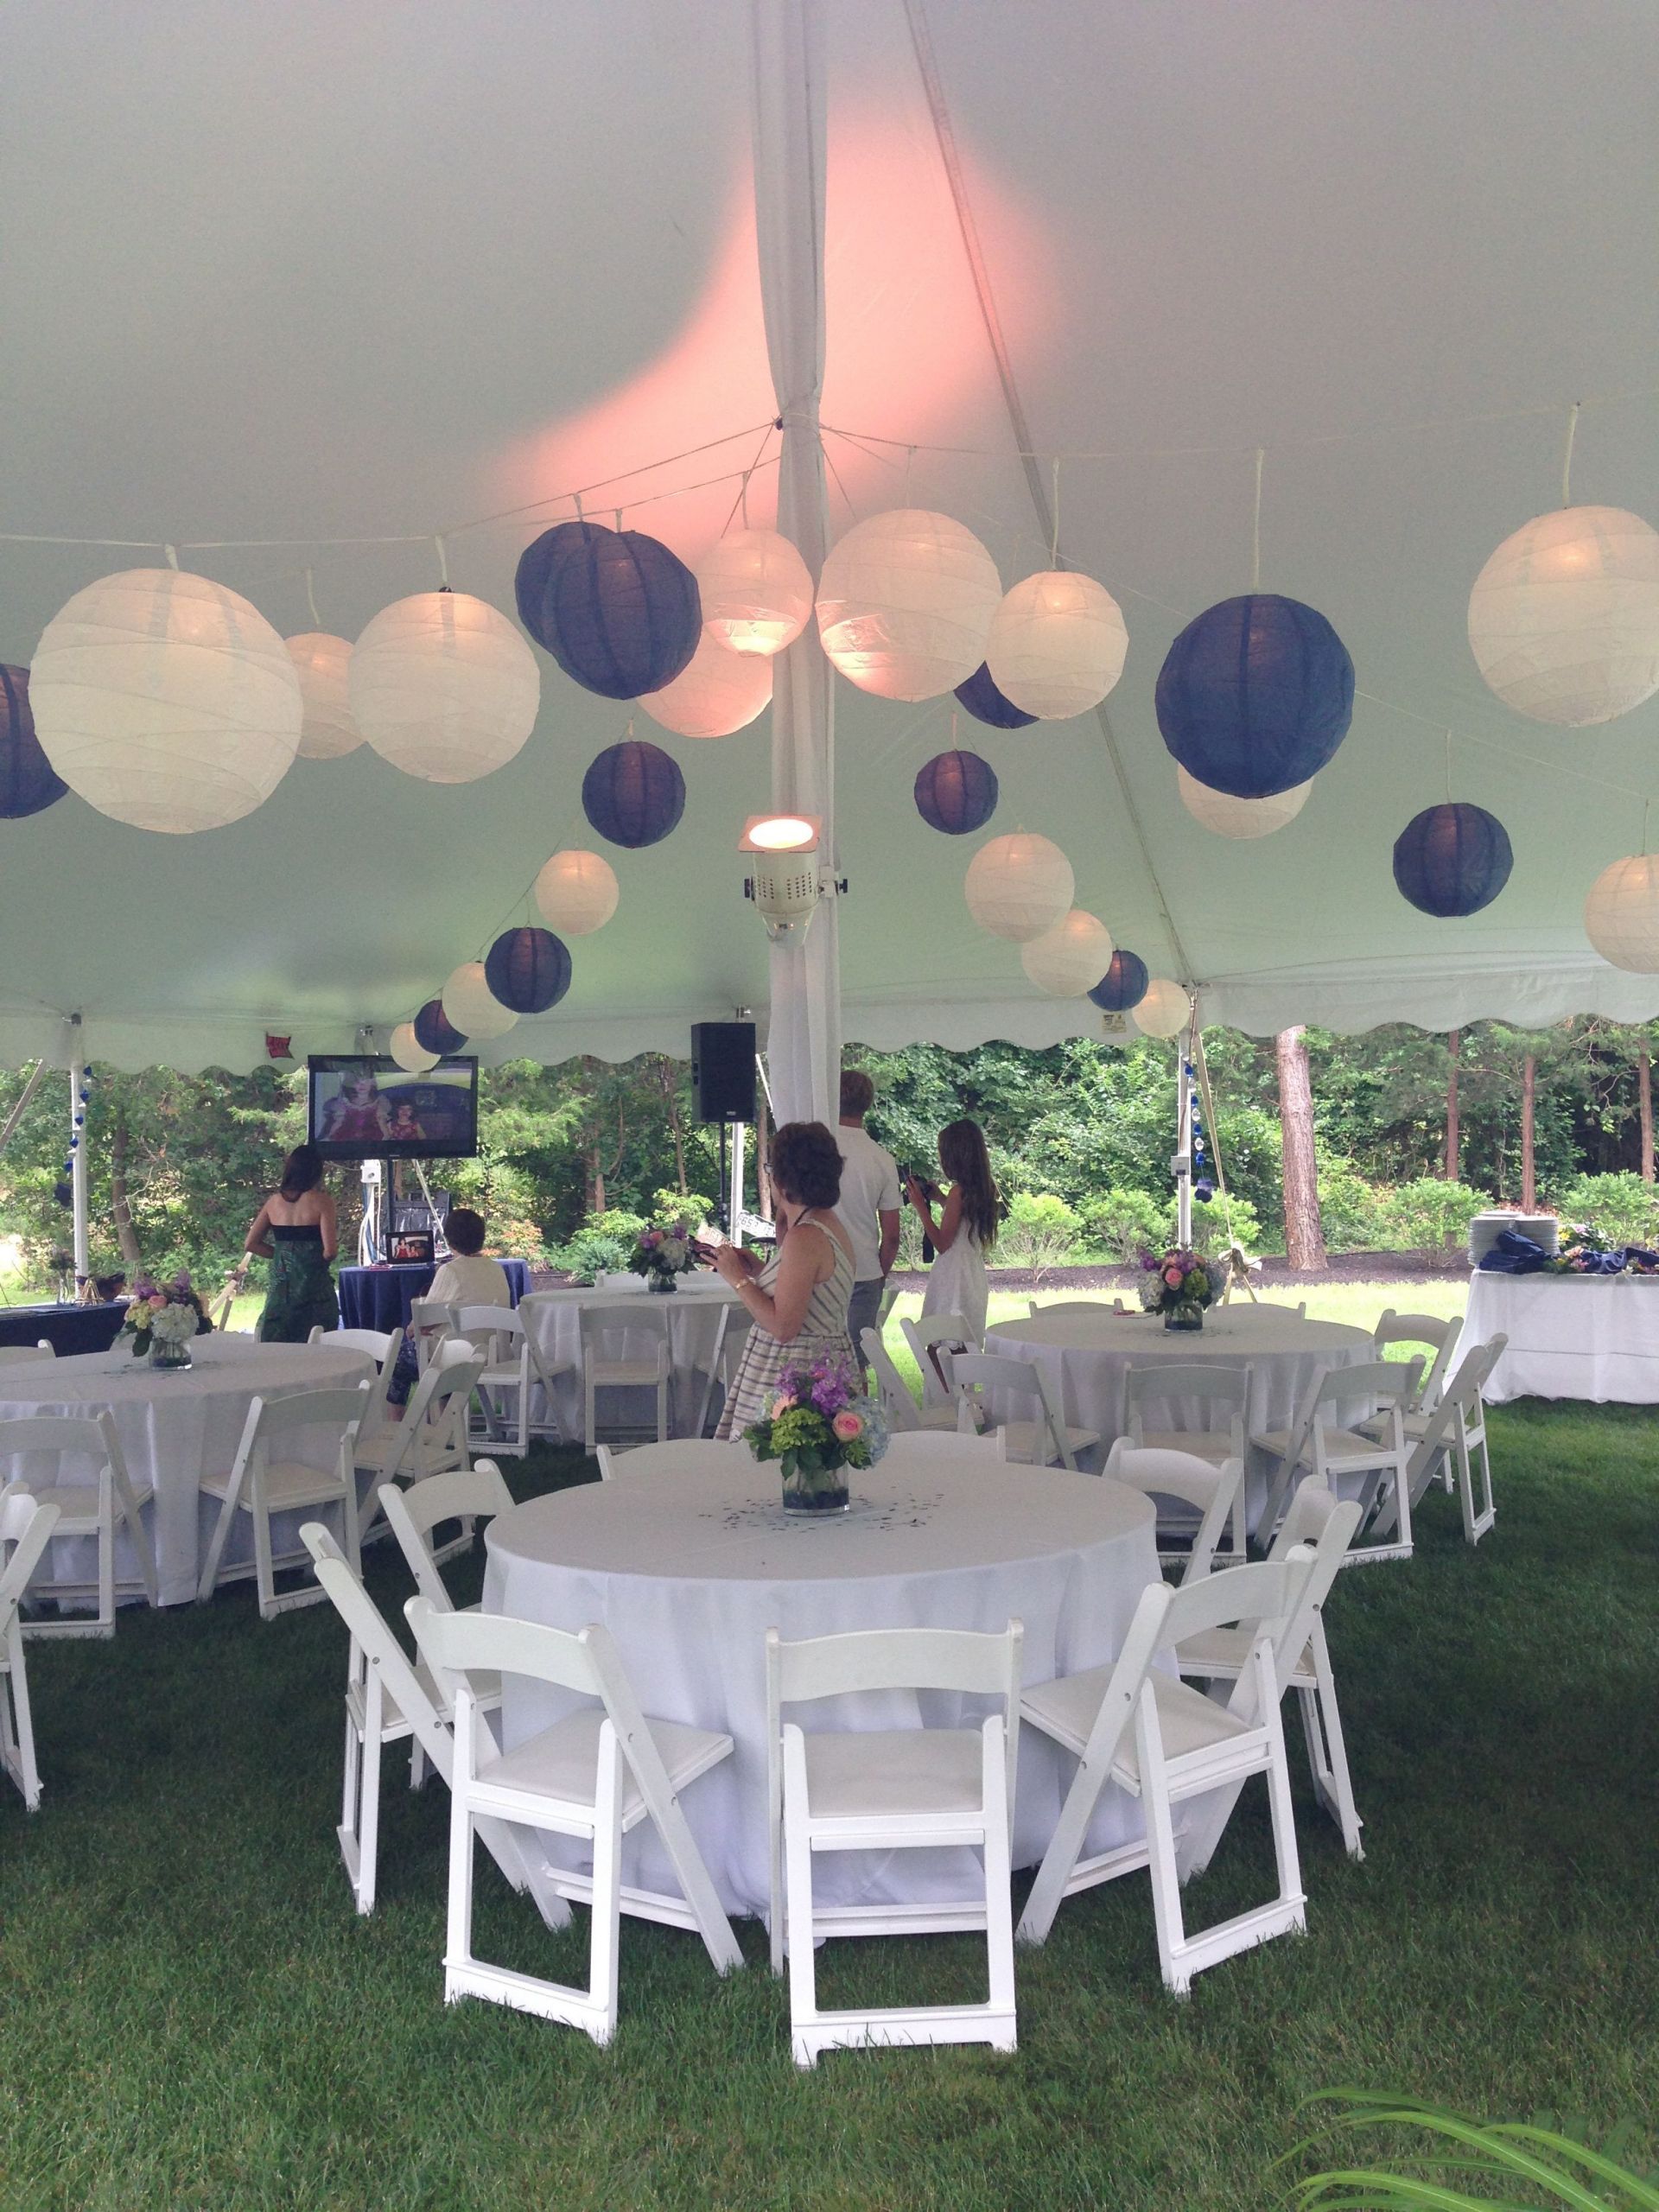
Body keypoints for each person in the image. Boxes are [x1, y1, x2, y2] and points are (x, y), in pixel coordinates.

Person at [710, 1121, 856, 1440]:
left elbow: (784, 1326)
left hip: (798, 1375)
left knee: (773, 1470)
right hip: (820, 1364)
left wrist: (737, 1279)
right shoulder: (824, 1224)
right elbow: (807, 1294)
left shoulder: (806, 1236)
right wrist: (763, 1272)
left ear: (782, 1178)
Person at [906, 1116, 999, 1344]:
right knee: (965, 1341)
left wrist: (921, 1207)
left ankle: (941, 1380)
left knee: (941, 1341)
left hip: (953, 1274)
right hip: (972, 1272)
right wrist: (940, 1199)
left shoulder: (959, 1192)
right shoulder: (985, 1188)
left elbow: (942, 1243)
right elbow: (964, 1222)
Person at [832, 1069, 901, 1366]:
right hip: (865, 1271)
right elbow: (892, 1236)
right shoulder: (882, 1158)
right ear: (868, 1104)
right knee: (856, 1365)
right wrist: (879, 1272)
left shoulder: (818, 1148)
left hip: (820, 1270)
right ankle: (857, 1415)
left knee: (815, 1367)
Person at [243, 1143, 339, 1343]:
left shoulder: (273, 1202)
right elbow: (330, 1251)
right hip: (315, 1287)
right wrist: (309, 1256)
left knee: (279, 1339)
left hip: (282, 1287)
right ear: (316, 1171)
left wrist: (282, 1254)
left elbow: (251, 1243)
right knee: (320, 1341)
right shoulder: (322, 1202)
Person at [425, 1208, 512, 1312]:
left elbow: (427, 1320)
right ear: (482, 1237)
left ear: (448, 1240)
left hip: (460, 1328)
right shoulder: (497, 1269)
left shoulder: (450, 1270)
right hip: (497, 1327)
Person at [320, 1072, 391, 1145]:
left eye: (366, 1082)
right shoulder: (345, 1102)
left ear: (372, 1085)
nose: (362, 1085)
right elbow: (338, 1122)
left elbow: (382, 1123)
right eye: (357, 1082)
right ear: (352, 1085)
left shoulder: (378, 1103)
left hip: (370, 1141)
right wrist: (329, 1138)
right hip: (347, 1139)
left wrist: (386, 1138)